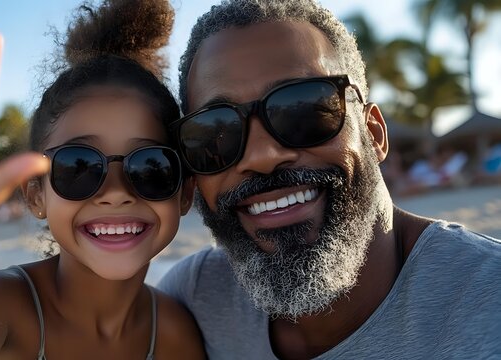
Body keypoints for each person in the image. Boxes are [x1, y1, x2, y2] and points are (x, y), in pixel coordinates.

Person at [158, 0, 501, 358]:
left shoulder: (490, 307)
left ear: (374, 133)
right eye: (216, 132)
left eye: (305, 109)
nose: (261, 156)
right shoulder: (196, 299)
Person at [0, 1, 206, 359]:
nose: (116, 193)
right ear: (36, 195)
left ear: (185, 192)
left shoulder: (174, 333)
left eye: (151, 167)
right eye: (79, 166)